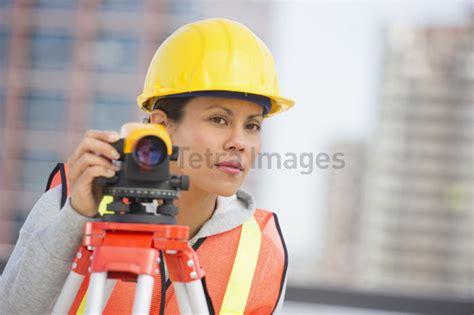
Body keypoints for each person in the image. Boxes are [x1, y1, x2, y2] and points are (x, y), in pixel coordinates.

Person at [0, 18, 294, 314]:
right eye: (218, 119)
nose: (239, 142)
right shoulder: (74, 199)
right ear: (161, 126)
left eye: (252, 125)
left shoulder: (261, 248)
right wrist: (75, 217)